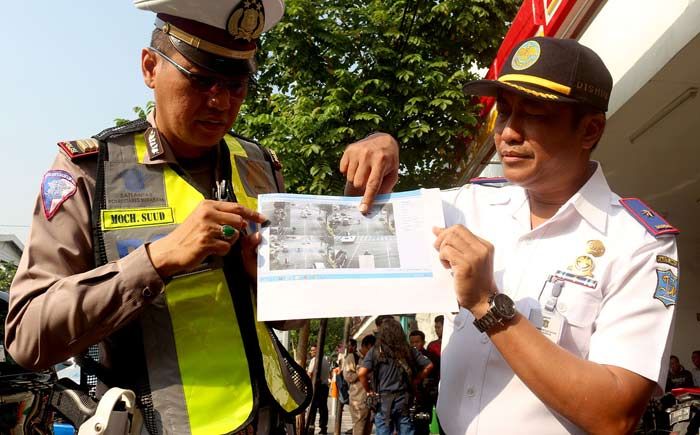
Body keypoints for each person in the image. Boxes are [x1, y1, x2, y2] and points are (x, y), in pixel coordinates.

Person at [5, 1, 399, 433]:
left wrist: (375, 156)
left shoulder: (259, 165)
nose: (220, 101)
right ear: (150, 67)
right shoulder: (90, 173)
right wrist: (155, 261)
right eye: (201, 79)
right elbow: (26, 336)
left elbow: (294, 316)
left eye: (236, 84)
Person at [431, 37, 679, 433]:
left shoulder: (639, 242)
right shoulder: (470, 203)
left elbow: (615, 414)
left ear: (590, 130)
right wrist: (379, 150)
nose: (508, 132)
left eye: (534, 114)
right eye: (504, 111)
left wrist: (487, 305)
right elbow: (361, 234)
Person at [358, 318, 433, 435]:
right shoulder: (408, 349)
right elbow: (429, 365)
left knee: (383, 430)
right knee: (406, 428)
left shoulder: (376, 350)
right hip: (404, 399)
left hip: (382, 400)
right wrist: (417, 379)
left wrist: (369, 390)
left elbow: (361, 373)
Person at [407, 330, 435, 435]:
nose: (414, 345)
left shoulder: (430, 357)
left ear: (423, 342)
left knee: (423, 425)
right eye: (412, 342)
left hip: (425, 395)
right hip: (410, 397)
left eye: (417, 342)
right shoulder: (407, 356)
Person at [343, 339, 369, 435]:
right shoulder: (352, 357)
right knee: (359, 428)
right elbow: (348, 377)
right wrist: (360, 372)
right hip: (357, 399)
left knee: (367, 428)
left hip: (369, 400)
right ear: (366, 346)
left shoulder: (370, 358)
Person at [307, 345, 331, 434]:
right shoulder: (325, 360)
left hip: (317, 387)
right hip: (324, 387)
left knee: (313, 408)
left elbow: (310, 373)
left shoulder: (314, 360)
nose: (311, 352)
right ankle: (323, 428)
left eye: (313, 350)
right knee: (323, 408)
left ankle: (311, 427)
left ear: (317, 351)